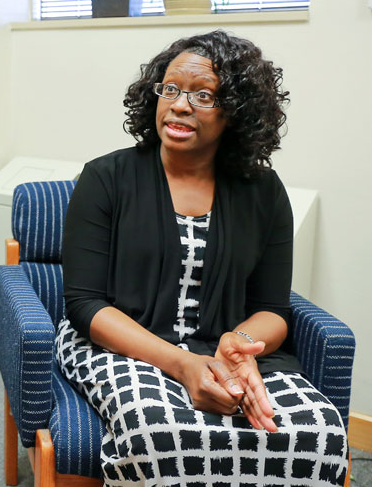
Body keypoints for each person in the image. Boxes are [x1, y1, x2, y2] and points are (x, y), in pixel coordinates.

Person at [57, 31, 349, 486]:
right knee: (158, 430)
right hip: (118, 345)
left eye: (203, 95)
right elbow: (85, 305)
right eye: (169, 88)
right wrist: (184, 365)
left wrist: (237, 344)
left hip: (222, 347)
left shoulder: (264, 192)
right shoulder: (105, 178)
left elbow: (272, 309)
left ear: (236, 112)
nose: (178, 104)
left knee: (314, 432)